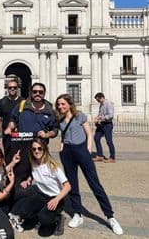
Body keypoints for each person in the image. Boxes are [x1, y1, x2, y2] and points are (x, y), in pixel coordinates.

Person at [55, 93, 123, 235]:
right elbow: (63, 135)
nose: (60, 106)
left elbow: (89, 133)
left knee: (94, 183)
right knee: (72, 184)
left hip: (81, 150)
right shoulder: (59, 119)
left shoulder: (80, 115)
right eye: (59, 104)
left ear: (69, 104)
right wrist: (62, 148)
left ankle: (110, 216)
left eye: (63, 104)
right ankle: (77, 214)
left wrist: (88, 149)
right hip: (67, 152)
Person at [9, 138, 71, 237]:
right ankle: (38, 214)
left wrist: (56, 199)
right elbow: (37, 174)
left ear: (44, 149)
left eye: (39, 148)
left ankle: (58, 218)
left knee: (43, 228)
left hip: (55, 198)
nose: (37, 151)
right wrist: (29, 180)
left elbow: (67, 186)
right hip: (41, 194)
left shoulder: (53, 166)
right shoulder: (34, 162)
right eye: (34, 149)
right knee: (24, 211)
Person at [4, 82, 59, 187]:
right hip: (22, 146)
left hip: (39, 149)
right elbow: (13, 120)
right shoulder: (22, 105)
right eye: (35, 92)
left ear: (44, 93)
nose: (37, 94)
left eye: (40, 92)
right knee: (20, 175)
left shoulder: (50, 110)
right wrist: (9, 128)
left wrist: (47, 135)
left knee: (40, 175)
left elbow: (55, 130)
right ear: (31, 93)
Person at [0, 79, 25, 153]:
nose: (12, 89)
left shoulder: (24, 102)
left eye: (14, 87)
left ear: (18, 88)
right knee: (7, 158)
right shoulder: (1, 102)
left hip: (21, 136)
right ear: (7, 88)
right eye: (10, 87)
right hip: (7, 136)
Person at [93, 92, 116, 163]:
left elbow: (111, 115)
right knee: (96, 138)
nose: (97, 101)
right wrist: (97, 118)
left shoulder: (108, 103)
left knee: (109, 141)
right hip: (101, 125)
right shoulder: (101, 104)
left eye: (98, 100)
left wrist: (102, 118)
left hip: (107, 124)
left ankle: (112, 158)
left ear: (102, 98)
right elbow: (100, 114)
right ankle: (100, 156)